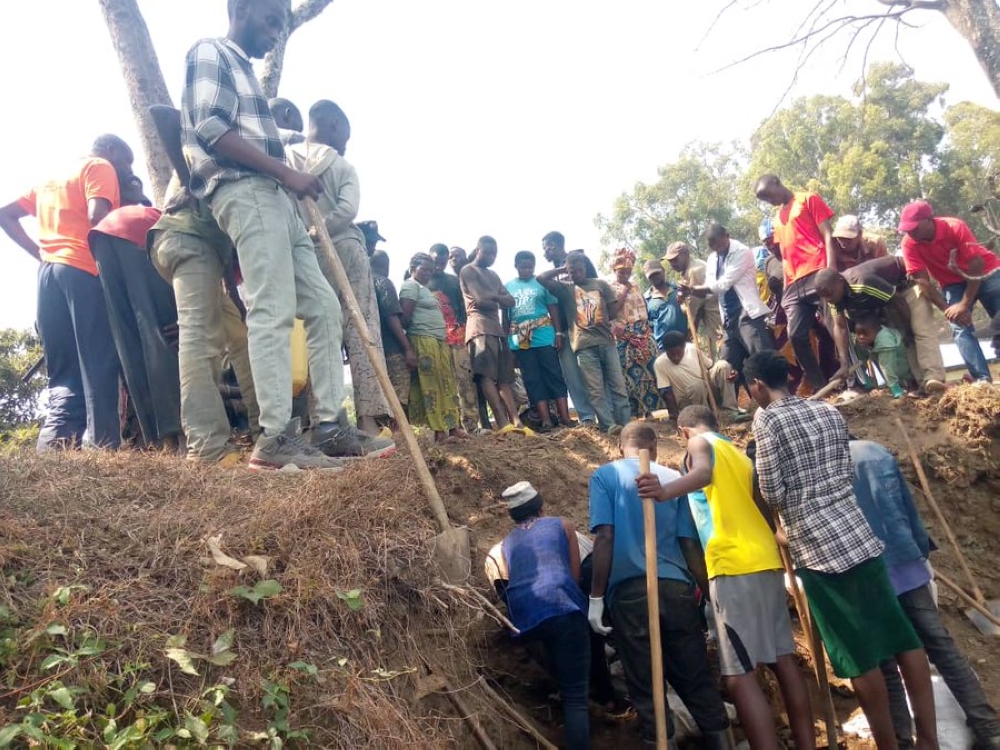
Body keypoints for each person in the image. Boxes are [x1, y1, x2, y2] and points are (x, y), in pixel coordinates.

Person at [180, 0, 349, 471]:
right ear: (243, 8)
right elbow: (210, 128)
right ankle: (275, 436)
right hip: (246, 188)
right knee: (271, 307)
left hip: (279, 197)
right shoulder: (211, 51)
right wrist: (284, 173)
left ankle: (331, 426)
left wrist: (290, 173)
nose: (276, 32)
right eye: (272, 20)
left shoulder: (246, 72)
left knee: (324, 305)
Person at [745, 350, 939, 750]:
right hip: (860, 537)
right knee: (903, 638)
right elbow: (844, 471)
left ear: (758, 385)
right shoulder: (828, 412)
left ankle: (887, 745)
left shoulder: (767, 419)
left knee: (857, 655)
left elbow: (772, 490)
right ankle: (929, 741)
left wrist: (782, 530)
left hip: (818, 551)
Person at [637, 405, 815, 750]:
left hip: (732, 565)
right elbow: (764, 511)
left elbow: (702, 474)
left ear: (684, 430)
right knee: (783, 660)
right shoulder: (739, 455)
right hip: (765, 561)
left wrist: (664, 491)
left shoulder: (700, 444)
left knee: (738, 676)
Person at [849, 439, 1000, 750]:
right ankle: (988, 726)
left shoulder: (829, 465)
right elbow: (907, 508)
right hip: (906, 562)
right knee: (941, 645)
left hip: (867, 574)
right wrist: (920, 549)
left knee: (887, 658)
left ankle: (903, 740)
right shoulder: (876, 451)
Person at [589, 423, 731, 749]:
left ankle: (660, 740)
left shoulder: (604, 476)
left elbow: (605, 537)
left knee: (644, 681)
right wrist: (707, 595)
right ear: (654, 446)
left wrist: (596, 598)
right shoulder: (671, 479)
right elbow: (688, 544)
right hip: (677, 591)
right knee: (694, 675)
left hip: (628, 596)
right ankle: (721, 741)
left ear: (618, 446)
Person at [0, 134, 135, 452]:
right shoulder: (99, 166)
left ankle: (52, 453)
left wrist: (42, 253)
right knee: (99, 362)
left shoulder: (50, 179)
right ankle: (105, 449)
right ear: (111, 150)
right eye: (125, 164)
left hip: (48, 276)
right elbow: (97, 215)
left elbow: (5, 214)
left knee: (63, 374)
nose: (124, 173)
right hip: (84, 272)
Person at [286, 100, 395, 451]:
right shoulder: (342, 165)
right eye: (345, 135)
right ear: (333, 125)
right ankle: (367, 419)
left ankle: (323, 420)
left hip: (305, 252)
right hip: (343, 248)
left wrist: (307, 233)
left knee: (321, 333)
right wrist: (320, 231)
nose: (346, 143)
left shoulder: (286, 159)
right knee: (362, 328)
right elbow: (348, 209)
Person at [490, 482, 591, 749]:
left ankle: (559, 682)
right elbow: (575, 577)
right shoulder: (563, 526)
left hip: (522, 618)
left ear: (512, 515)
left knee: (553, 650)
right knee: (575, 697)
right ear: (541, 505)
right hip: (561, 605)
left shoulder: (508, 542)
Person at [898, 200, 1000, 384]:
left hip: (987, 273)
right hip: (952, 283)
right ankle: (982, 379)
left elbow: (976, 266)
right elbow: (923, 282)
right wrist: (950, 310)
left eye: (914, 227)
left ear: (929, 220)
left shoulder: (955, 227)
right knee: (959, 329)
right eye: (907, 229)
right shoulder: (909, 244)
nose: (910, 232)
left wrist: (964, 304)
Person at [814, 255, 947, 394]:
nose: (829, 299)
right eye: (824, 297)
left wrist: (907, 329)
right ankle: (923, 385)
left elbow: (897, 299)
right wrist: (844, 364)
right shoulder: (834, 298)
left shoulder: (861, 282)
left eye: (830, 294)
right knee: (904, 341)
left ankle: (934, 377)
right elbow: (840, 326)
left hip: (907, 288)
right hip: (889, 300)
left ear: (840, 281)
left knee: (920, 331)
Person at [754, 175, 837, 391]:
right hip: (794, 281)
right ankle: (820, 385)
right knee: (796, 335)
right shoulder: (778, 218)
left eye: (768, 195)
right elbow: (786, 253)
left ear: (777, 184)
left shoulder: (807, 199)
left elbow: (827, 234)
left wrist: (831, 268)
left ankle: (851, 376)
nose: (769, 201)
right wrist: (785, 284)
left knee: (834, 323)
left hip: (817, 270)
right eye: (764, 199)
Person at [539, 254, 631, 433]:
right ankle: (608, 425)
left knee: (618, 386)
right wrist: (563, 268)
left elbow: (612, 311)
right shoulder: (565, 289)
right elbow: (541, 278)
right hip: (583, 346)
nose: (576, 273)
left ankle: (625, 424)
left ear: (585, 267)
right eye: (572, 271)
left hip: (606, 341)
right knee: (594, 389)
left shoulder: (601, 284)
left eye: (579, 269)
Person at [504, 251, 573, 429]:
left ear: (534, 267)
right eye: (522, 267)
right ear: (516, 266)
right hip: (520, 339)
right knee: (532, 379)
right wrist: (507, 344)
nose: (526, 270)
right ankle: (545, 419)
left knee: (554, 375)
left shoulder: (541, 283)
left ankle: (565, 417)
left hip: (544, 335)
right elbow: (506, 317)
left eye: (530, 267)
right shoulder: (508, 286)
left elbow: (553, 308)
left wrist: (558, 334)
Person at [400, 253, 464, 442]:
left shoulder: (425, 289)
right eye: (424, 269)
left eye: (430, 270)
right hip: (422, 339)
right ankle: (438, 431)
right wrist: (408, 349)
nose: (428, 273)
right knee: (430, 386)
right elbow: (405, 318)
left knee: (446, 382)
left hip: (439, 340)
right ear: (413, 269)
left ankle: (453, 427)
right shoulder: (410, 286)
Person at [460, 236, 520, 429]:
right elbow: (480, 299)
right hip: (479, 328)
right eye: (488, 253)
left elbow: (511, 301)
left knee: (504, 378)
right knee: (485, 375)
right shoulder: (468, 270)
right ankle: (501, 422)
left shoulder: (493, 275)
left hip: (497, 330)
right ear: (478, 250)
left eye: (495, 254)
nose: (492, 257)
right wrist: (498, 297)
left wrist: (494, 297)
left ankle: (516, 420)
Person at [693, 224, 776, 358]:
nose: (718, 250)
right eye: (713, 248)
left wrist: (696, 289)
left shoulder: (742, 251)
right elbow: (709, 289)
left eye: (719, 246)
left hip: (747, 315)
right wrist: (690, 291)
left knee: (764, 361)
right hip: (728, 320)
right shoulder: (712, 259)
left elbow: (724, 284)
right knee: (728, 367)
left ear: (727, 236)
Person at [541, 233, 598, 425]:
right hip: (564, 329)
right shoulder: (554, 270)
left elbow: (594, 289)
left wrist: (592, 323)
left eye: (546, 248)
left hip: (585, 327)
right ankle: (587, 417)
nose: (544, 252)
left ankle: (604, 414)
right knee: (572, 375)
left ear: (554, 245)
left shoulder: (580, 260)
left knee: (592, 372)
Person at [429, 244, 479, 433]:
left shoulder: (453, 281)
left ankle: (472, 426)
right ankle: (452, 425)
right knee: (444, 384)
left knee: (465, 382)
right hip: (436, 340)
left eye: (443, 261)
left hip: (458, 337)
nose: (439, 265)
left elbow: (464, 309)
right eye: (436, 261)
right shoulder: (422, 282)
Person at [610, 248, 662, 419]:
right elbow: (612, 311)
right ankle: (635, 413)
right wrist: (624, 291)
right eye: (622, 271)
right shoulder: (610, 287)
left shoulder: (636, 286)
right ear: (614, 270)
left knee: (652, 372)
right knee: (630, 375)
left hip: (644, 334)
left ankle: (654, 412)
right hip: (625, 337)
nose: (626, 274)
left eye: (628, 271)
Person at [370, 250, 416, 419]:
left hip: (371, 349)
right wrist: (407, 348)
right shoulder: (383, 282)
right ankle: (399, 436)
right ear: (386, 265)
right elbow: (392, 316)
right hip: (391, 348)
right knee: (398, 396)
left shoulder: (359, 284)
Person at [654, 331, 739, 420]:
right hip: (687, 401)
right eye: (672, 354)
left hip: (708, 392)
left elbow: (710, 366)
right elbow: (667, 393)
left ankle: (731, 411)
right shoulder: (660, 364)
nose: (676, 357)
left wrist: (729, 371)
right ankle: (704, 418)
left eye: (678, 353)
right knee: (697, 386)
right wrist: (676, 416)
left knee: (723, 366)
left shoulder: (692, 349)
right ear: (666, 351)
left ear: (684, 347)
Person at [664, 241, 721, 358]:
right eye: (670, 261)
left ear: (686, 254)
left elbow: (692, 308)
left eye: (675, 259)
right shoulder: (690, 268)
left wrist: (681, 302)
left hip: (717, 319)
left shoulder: (694, 271)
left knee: (724, 351)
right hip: (711, 319)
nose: (672, 264)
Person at [853, 313, 913, 397]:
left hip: (904, 372)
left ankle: (903, 386)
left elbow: (887, 367)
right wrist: (869, 387)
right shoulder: (861, 342)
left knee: (893, 370)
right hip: (892, 375)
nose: (861, 337)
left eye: (865, 333)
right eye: (858, 334)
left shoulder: (885, 340)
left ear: (876, 331)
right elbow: (860, 364)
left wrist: (896, 390)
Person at [642, 259, 689, 352]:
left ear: (663, 270)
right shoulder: (646, 300)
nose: (655, 277)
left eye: (657, 273)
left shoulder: (678, 290)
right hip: (662, 350)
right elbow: (648, 328)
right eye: (651, 276)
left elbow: (693, 311)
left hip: (685, 345)